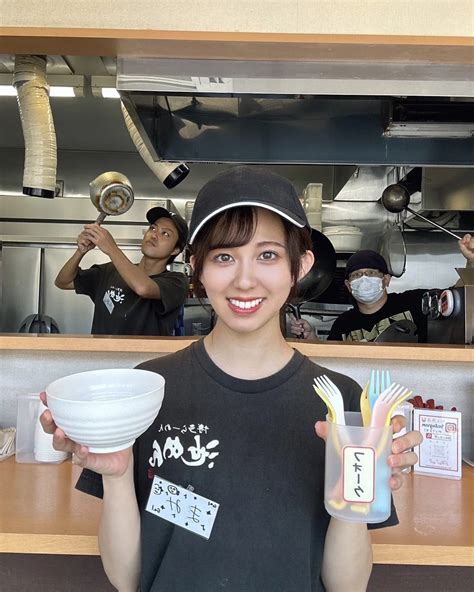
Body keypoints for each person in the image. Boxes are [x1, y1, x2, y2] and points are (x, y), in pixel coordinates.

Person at [41, 166, 422, 592]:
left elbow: (345, 586)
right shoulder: (147, 392)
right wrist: (115, 475)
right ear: (196, 267)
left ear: (301, 265)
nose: (244, 279)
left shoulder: (345, 405)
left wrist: (355, 497)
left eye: (268, 255)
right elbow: (129, 578)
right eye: (224, 256)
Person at [289, 234, 474, 342]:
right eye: (356, 275)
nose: (363, 279)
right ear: (348, 285)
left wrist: (471, 261)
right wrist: (311, 336)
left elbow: (458, 298)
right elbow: (331, 362)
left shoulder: (414, 302)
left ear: (386, 280)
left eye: (370, 273)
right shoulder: (343, 324)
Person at [54, 207, 189, 336]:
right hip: (101, 358)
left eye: (165, 234)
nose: (154, 235)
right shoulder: (109, 271)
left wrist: (111, 248)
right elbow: (63, 282)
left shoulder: (177, 282)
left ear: (175, 250)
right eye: (153, 228)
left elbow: (143, 288)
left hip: (147, 360)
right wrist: (80, 251)